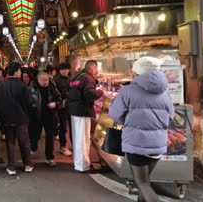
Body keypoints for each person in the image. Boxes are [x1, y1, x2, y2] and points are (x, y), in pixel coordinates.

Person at [109, 56, 173, 202]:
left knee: (142, 183)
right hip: (158, 145)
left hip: (136, 143)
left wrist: (130, 122)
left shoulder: (128, 90)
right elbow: (170, 117)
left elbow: (115, 114)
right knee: (145, 181)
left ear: (137, 72)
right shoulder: (164, 92)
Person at [0, 62, 34, 175]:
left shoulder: (2, 85)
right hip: (21, 118)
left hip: (6, 119)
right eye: (20, 71)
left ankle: (11, 167)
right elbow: (29, 102)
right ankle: (27, 164)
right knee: (24, 143)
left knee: (10, 143)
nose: (21, 73)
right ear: (17, 71)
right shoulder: (22, 85)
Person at [67, 59, 104, 173]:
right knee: (82, 140)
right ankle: (83, 166)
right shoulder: (88, 78)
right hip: (82, 112)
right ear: (91, 68)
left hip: (74, 111)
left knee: (78, 138)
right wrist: (100, 91)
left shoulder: (78, 77)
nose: (95, 72)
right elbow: (89, 94)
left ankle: (79, 163)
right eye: (95, 69)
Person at [29, 72, 62, 167]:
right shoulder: (32, 88)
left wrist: (55, 104)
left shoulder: (52, 87)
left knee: (50, 137)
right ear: (38, 80)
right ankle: (33, 147)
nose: (45, 82)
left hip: (50, 115)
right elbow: (28, 102)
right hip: (36, 116)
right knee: (35, 135)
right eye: (43, 80)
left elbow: (59, 99)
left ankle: (49, 157)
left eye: (47, 80)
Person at [54, 62, 72, 156]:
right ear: (60, 70)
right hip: (61, 107)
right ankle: (63, 146)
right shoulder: (56, 80)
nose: (65, 71)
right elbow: (54, 94)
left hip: (70, 106)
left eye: (67, 69)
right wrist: (61, 102)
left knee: (72, 127)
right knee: (63, 127)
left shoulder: (70, 79)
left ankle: (74, 145)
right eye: (63, 69)